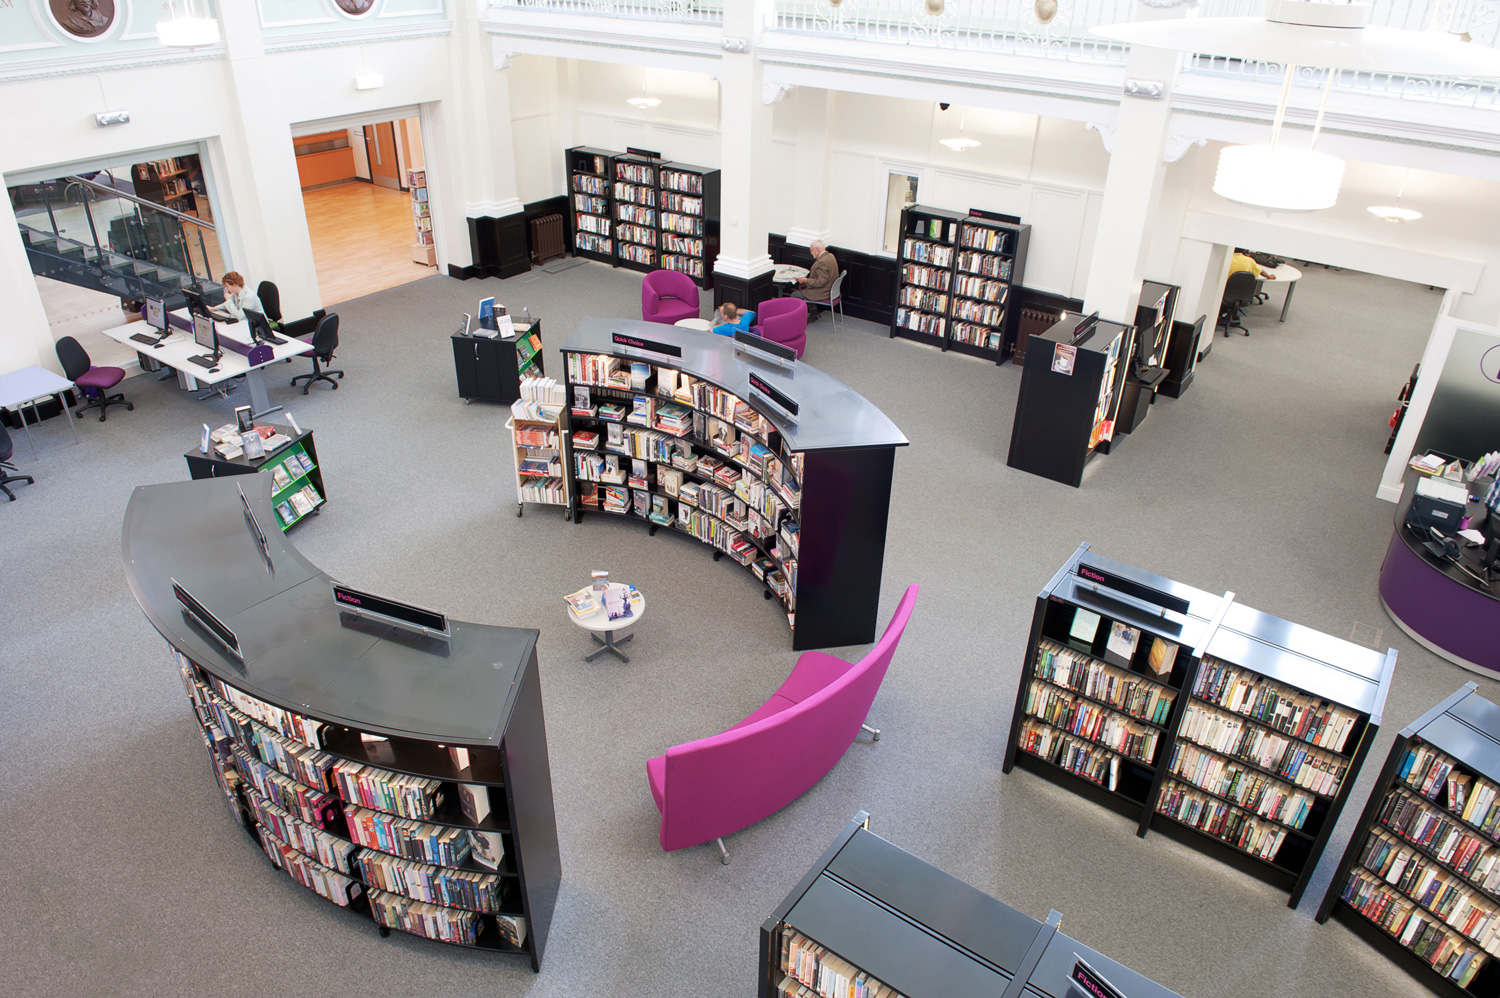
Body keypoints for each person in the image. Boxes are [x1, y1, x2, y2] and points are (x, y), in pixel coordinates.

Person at [793, 240, 839, 320]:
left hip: (823, 291)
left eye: (811, 250)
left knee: (794, 294)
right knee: (803, 289)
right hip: (832, 290)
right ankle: (814, 313)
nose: (811, 253)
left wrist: (805, 280)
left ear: (817, 249)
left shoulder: (822, 262)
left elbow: (820, 282)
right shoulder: (830, 256)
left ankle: (798, 319)